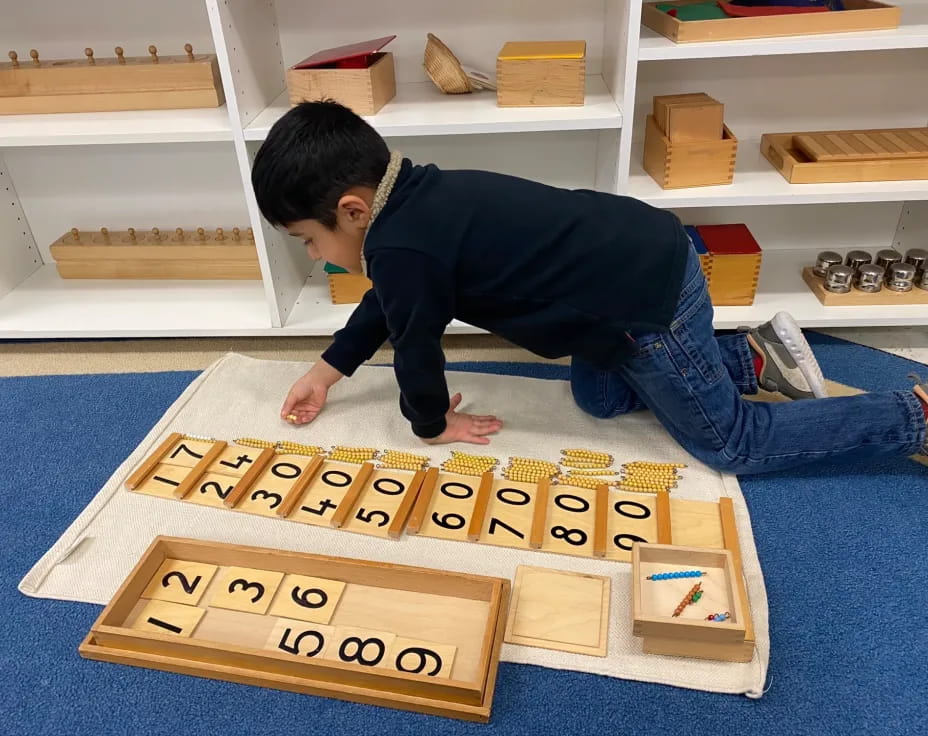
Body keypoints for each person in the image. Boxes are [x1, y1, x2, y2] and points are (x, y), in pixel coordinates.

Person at [250, 101, 928, 474]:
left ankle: (913, 414)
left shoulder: (400, 245)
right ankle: (750, 357)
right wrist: (327, 368)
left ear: (352, 209)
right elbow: (390, 303)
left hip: (646, 304)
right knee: (598, 400)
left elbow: (415, 347)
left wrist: (430, 424)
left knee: (731, 444)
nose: (319, 256)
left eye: (310, 239)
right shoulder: (416, 200)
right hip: (638, 264)